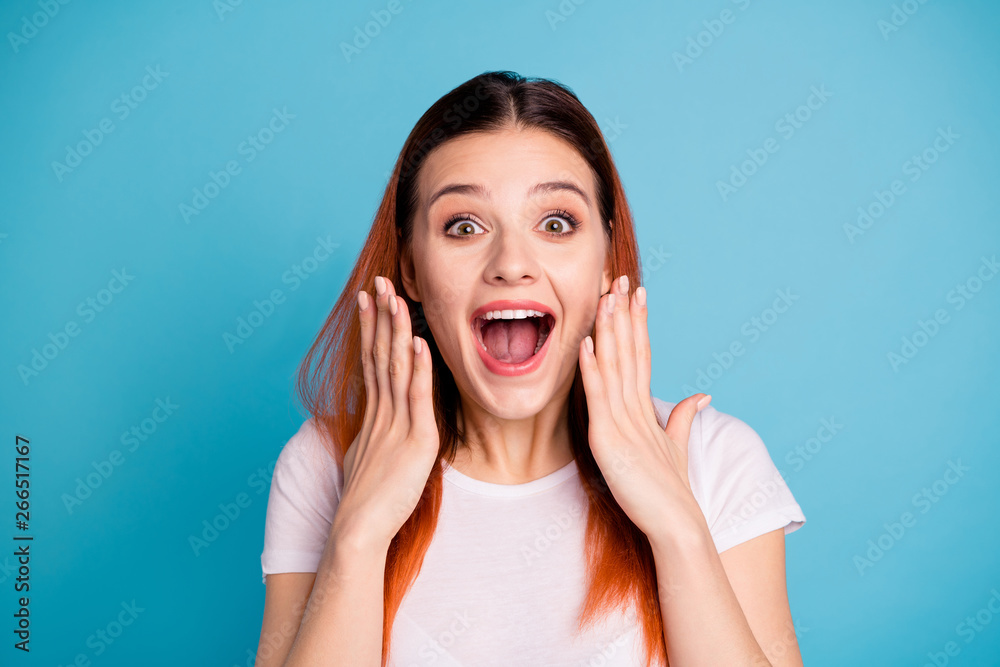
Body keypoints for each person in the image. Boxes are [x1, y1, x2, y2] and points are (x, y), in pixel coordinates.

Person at [255, 71, 807, 667]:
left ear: (605, 259)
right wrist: (357, 535)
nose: (512, 263)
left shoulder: (712, 459)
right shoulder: (328, 463)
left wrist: (678, 528)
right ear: (410, 268)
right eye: (464, 226)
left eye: (556, 223)